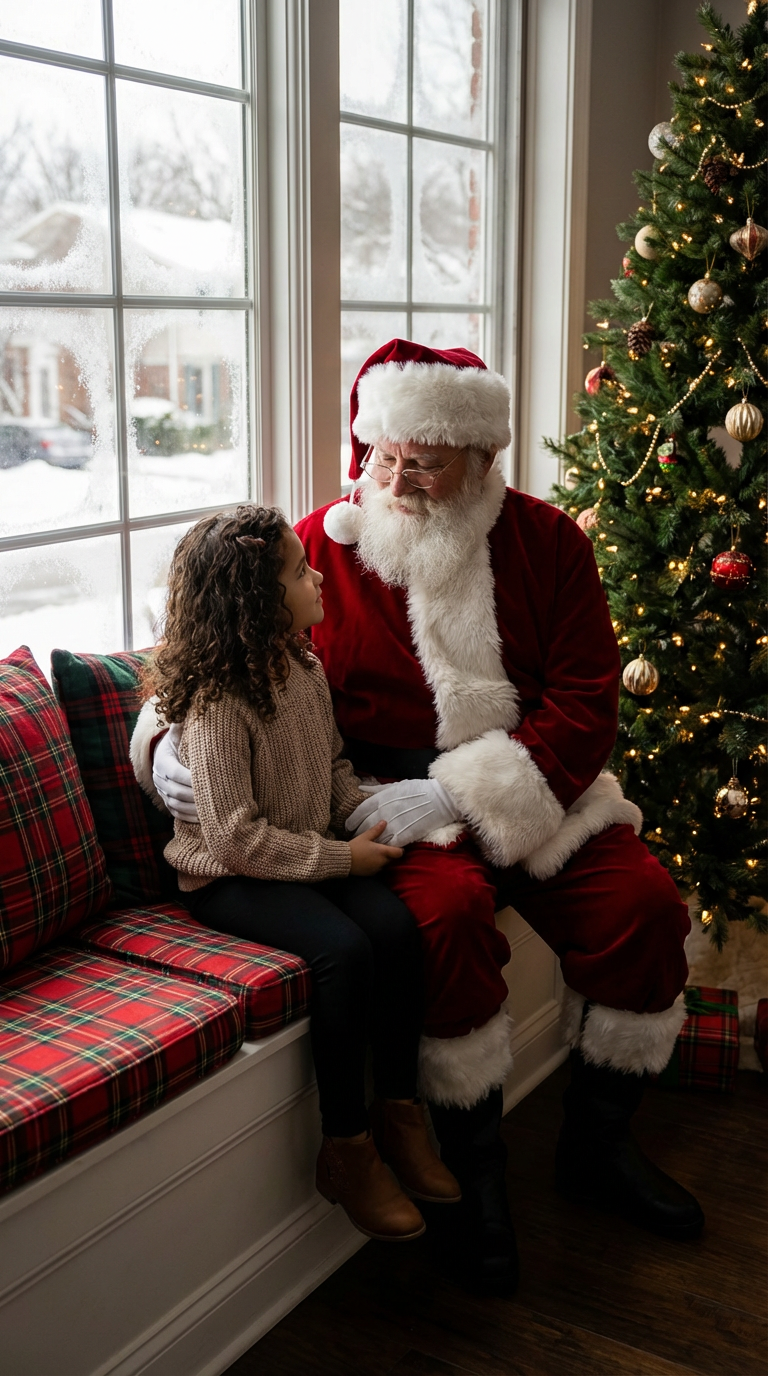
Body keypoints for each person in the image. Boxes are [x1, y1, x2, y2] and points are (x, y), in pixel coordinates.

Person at [134, 339, 704, 1296]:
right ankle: (474, 1180)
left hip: (532, 780)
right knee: (439, 925)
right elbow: (192, 647)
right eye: (381, 455)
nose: (392, 479)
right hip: (372, 800)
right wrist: (166, 749)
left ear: (481, 462)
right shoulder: (315, 543)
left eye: (424, 464)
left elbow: (588, 699)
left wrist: (462, 790)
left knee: (644, 911)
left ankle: (597, 1150)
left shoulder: (549, 543)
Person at [138, 503, 461, 1244]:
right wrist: (346, 858)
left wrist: (375, 809)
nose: (317, 574)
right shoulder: (219, 700)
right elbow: (234, 838)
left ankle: (401, 1114)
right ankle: (346, 1148)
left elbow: (331, 771)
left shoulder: (304, 665)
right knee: (343, 952)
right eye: (299, 569)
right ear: (257, 597)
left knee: (395, 929)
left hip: (300, 846)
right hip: (227, 875)